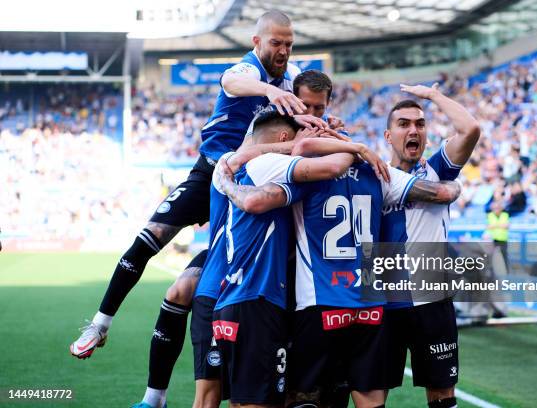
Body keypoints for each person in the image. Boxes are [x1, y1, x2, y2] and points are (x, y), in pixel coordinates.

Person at [69, 9, 321, 361]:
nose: (283, 51)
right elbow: (231, 82)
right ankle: (100, 323)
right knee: (151, 235)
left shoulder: (292, 76)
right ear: (257, 41)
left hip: (247, 182)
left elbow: (311, 98)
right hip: (210, 173)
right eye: (276, 43)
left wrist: (320, 118)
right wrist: (268, 90)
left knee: (190, 289)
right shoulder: (248, 69)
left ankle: (163, 394)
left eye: (289, 44)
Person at [215, 150, 461, 407]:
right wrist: (455, 185)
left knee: (305, 398)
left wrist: (226, 183)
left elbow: (257, 199)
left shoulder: (307, 177)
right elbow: (440, 193)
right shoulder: (377, 174)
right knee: (371, 401)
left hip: (320, 301)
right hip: (369, 304)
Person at [193, 111, 390, 408]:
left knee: (239, 399)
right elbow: (331, 165)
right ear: (285, 137)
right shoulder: (267, 164)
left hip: (233, 299)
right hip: (255, 301)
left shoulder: (239, 166)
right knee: (256, 403)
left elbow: (254, 198)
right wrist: (352, 145)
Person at [378, 83, 480, 408]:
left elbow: (471, 129)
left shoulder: (437, 168)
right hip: (383, 301)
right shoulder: (373, 178)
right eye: (404, 124)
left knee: (442, 394)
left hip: (432, 300)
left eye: (420, 124)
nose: (414, 130)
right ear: (387, 135)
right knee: (371, 393)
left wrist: (434, 97)